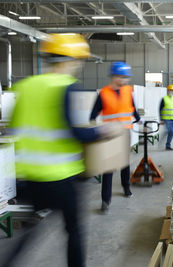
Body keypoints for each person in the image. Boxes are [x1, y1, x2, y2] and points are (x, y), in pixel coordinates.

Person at [5, 33, 113, 267]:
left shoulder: (25, 86)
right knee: (73, 230)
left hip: (28, 177)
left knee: (31, 230)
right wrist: (102, 132)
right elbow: (75, 132)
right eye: (78, 61)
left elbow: (12, 129)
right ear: (70, 60)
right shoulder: (66, 86)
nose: (79, 66)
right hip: (60, 177)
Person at [90, 61, 141, 214]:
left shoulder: (128, 91)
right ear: (114, 76)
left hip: (125, 133)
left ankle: (126, 188)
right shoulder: (103, 94)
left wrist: (139, 120)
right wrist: (99, 130)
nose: (126, 80)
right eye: (123, 77)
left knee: (125, 163)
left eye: (126, 77)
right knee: (109, 169)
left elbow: (132, 109)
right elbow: (92, 116)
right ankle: (105, 200)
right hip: (110, 136)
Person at [159, 84, 173, 151]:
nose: (172, 92)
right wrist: (161, 119)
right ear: (167, 91)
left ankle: (168, 145)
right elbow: (160, 109)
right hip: (166, 118)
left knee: (171, 132)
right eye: (171, 90)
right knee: (169, 130)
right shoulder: (164, 98)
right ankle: (163, 142)